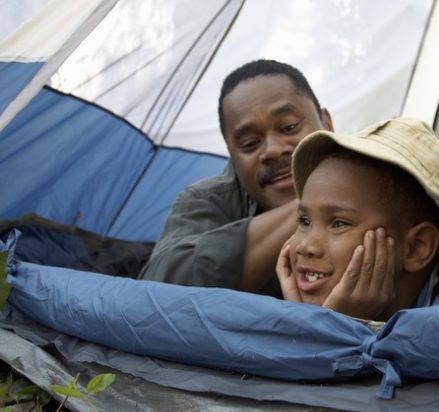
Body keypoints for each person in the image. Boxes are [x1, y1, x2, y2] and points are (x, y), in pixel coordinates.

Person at [275, 117, 439, 321]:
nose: (306, 246)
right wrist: (303, 321)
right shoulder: (297, 303)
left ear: (415, 247)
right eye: (304, 221)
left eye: (338, 223)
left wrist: (332, 328)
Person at [139, 59, 333, 295]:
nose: (272, 149)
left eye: (289, 127)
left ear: (327, 124)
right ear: (232, 156)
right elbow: (159, 289)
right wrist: (323, 202)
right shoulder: (206, 201)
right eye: (250, 143)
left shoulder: (378, 179)